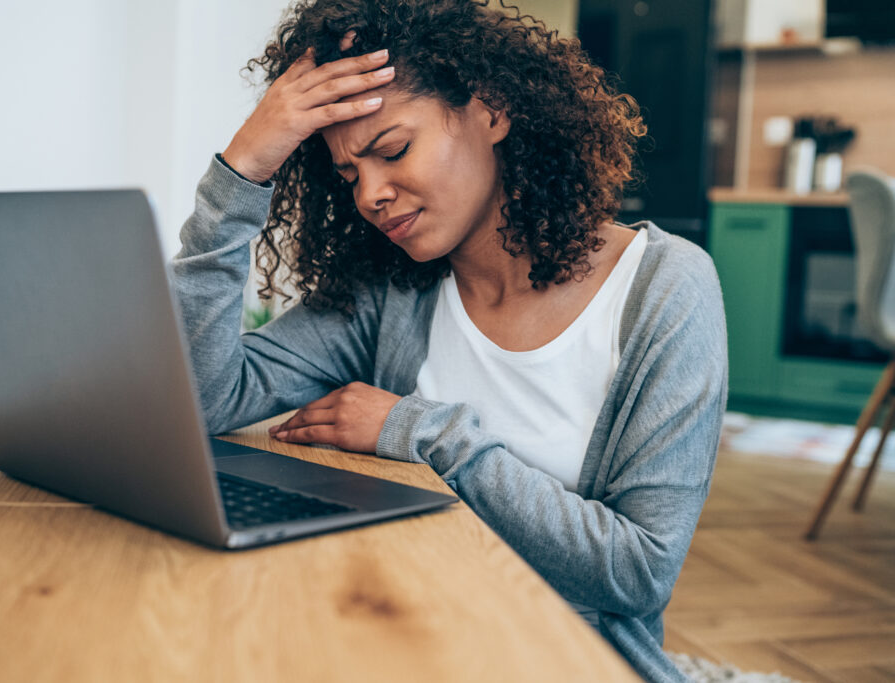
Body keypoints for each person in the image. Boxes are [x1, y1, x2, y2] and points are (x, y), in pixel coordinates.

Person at [172, 1, 727, 681]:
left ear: (491, 109)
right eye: (349, 177)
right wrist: (243, 171)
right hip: (403, 637)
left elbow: (637, 570)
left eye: (393, 149)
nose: (370, 194)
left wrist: (420, 431)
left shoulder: (666, 289)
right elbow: (201, 398)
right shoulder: (392, 291)